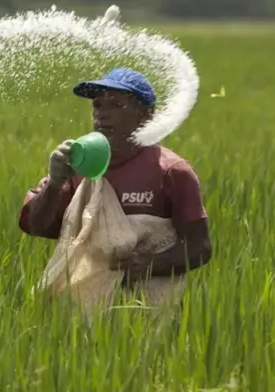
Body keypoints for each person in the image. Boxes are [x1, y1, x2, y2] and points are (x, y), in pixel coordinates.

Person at [19, 67, 212, 291]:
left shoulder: (171, 172)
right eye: (98, 105)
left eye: (117, 105)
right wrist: (54, 183)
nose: (102, 114)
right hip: (83, 308)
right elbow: (36, 226)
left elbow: (200, 247)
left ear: (145, 115)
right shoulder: (78, 166)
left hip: (150, 308)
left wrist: (151, 263)